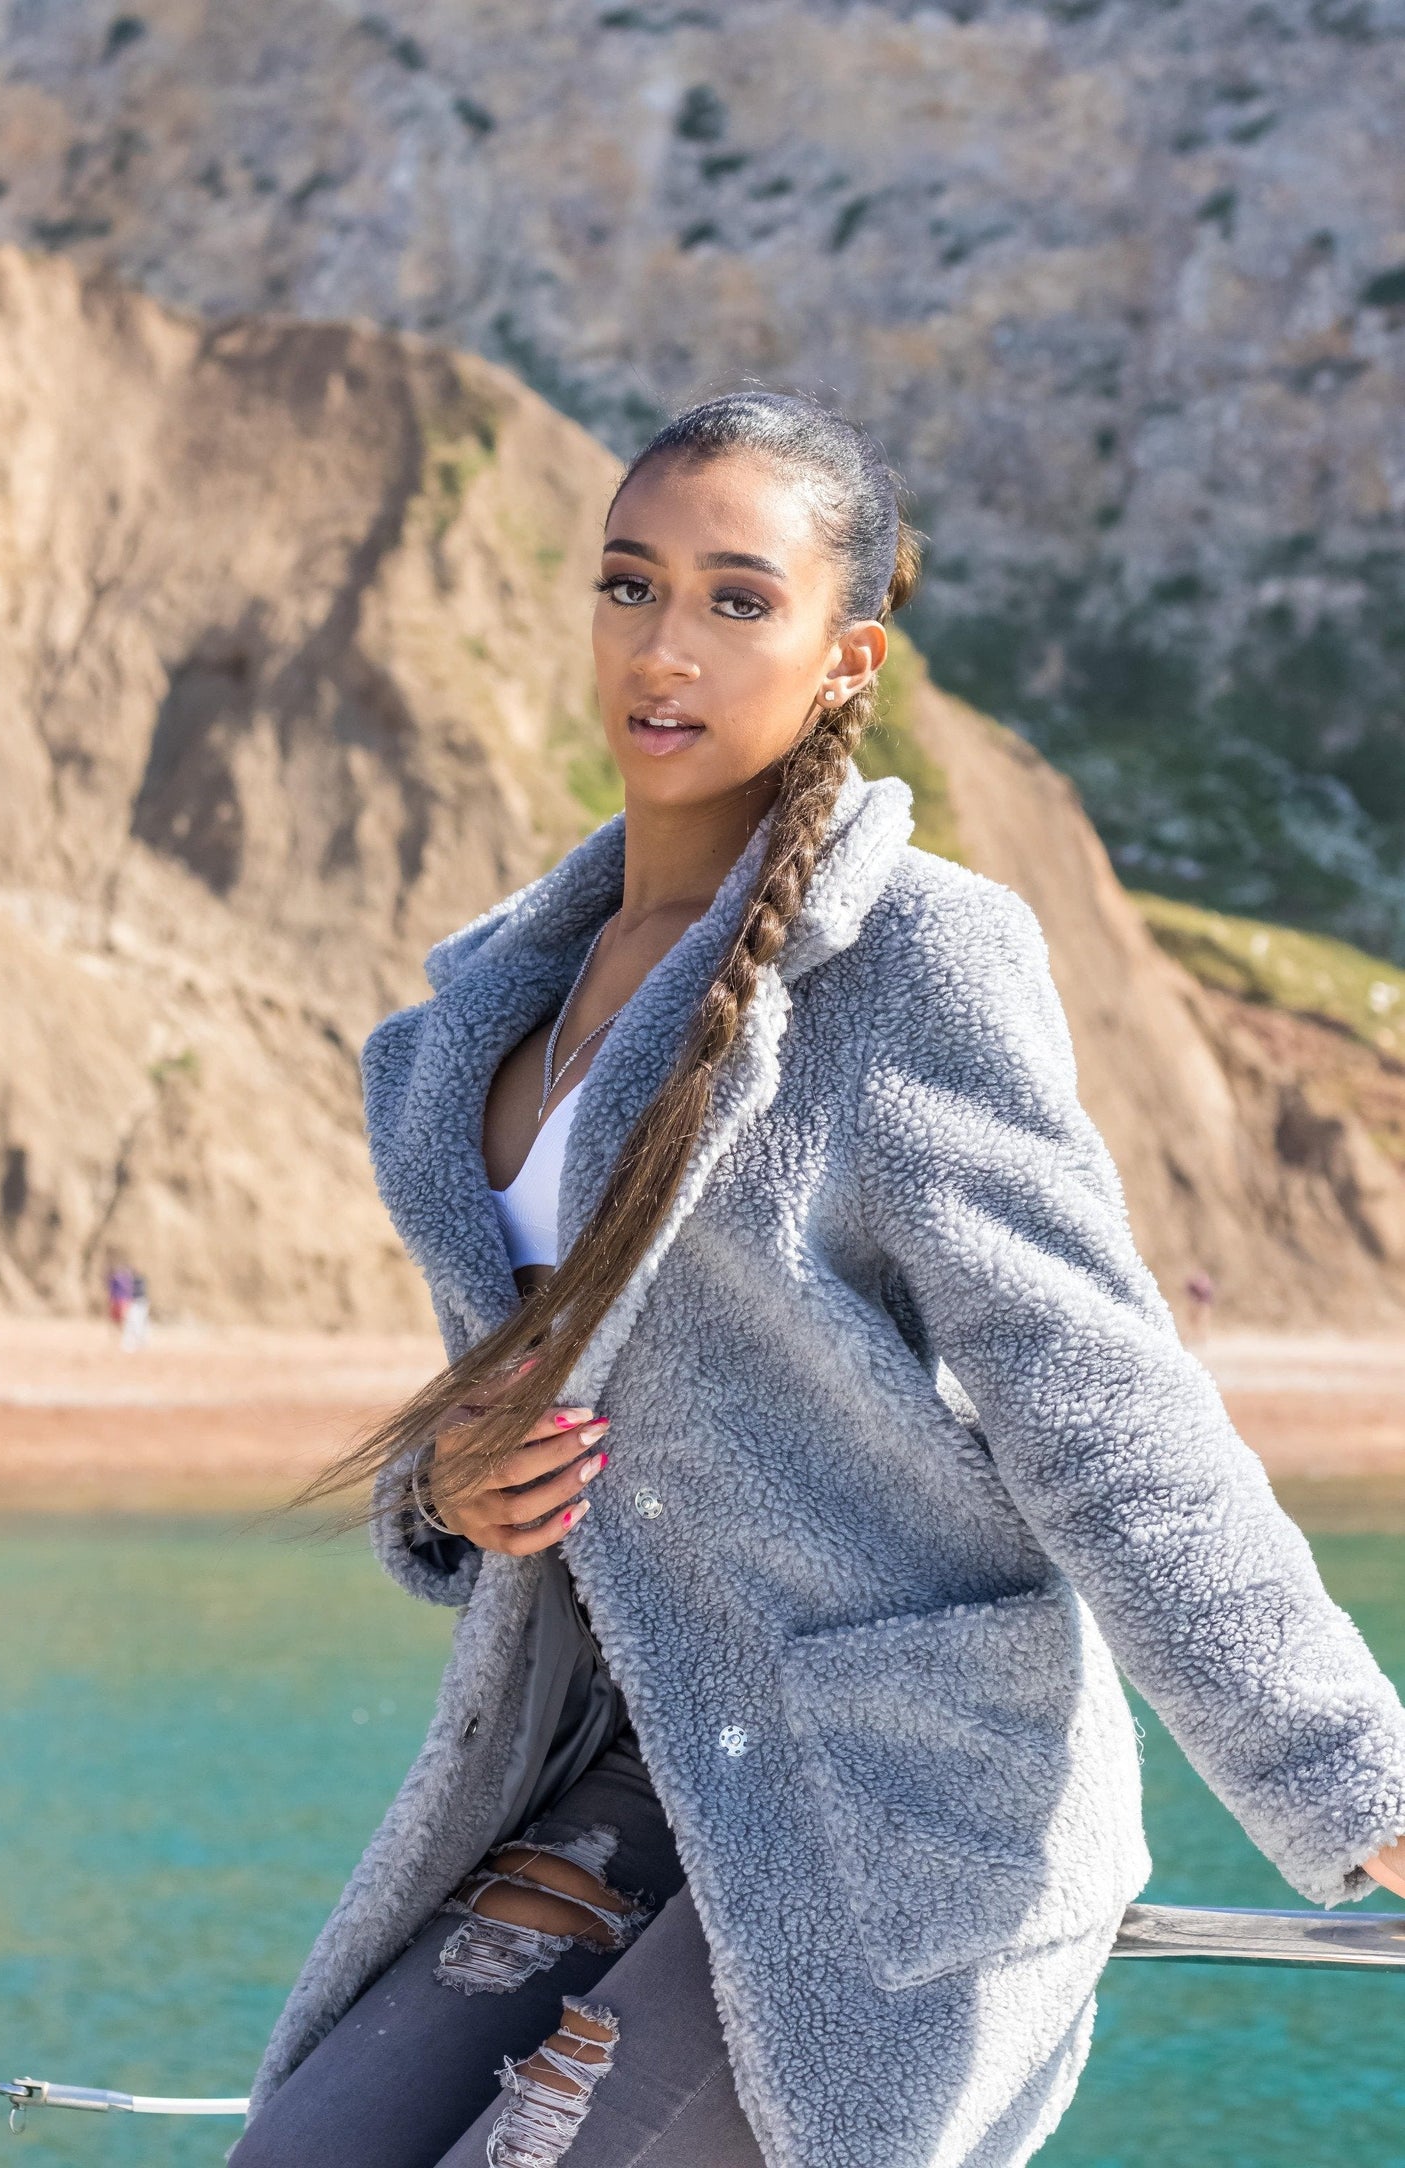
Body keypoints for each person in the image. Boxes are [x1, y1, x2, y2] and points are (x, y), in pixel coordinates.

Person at [234, 393, 1405, 2168]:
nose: (665, 647)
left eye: (736, 599)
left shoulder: (916, 960)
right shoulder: (465, 1029)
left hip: (890, 1798)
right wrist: (444, 1494)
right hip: (611, 1760)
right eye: (630, 585)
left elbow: (1100, 1410)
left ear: (846, 655)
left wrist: (1352, 1781)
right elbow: (512, 1418)